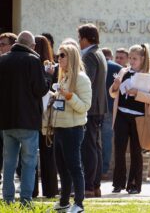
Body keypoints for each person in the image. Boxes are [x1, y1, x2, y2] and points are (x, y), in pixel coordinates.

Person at [0, 31, 49, 206]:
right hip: (28, 121)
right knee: (29, 162)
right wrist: (48, 77)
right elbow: (40, 90)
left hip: (6, 121)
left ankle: (7, 199)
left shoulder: (3, 60)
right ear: (32, 46)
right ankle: (26, 200)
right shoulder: (33, 60)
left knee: (9, 163)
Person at [110, 44, 150, 194]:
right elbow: (113, 94)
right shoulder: (123, 71)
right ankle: (118, 183)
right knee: (119, 150)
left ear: (142, 59)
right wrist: (115, 86)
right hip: (121, 115)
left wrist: (137, 93)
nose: (131, 61)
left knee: (136, 152)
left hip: (139, 118)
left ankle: (134, 185)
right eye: (130, 58)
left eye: (134, 58)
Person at [50, 44, 92, 213]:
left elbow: (85, 106)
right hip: (59, 127)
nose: (58, 58)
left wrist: (68, 96)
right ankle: (64, 202)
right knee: (61, 167)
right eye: (58, 55)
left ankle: (79, 204)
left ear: (71, 57)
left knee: (74, 167)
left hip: (73, 129)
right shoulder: (64, 77)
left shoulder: (81, 78)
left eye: (62, 55)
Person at [78, 23, 108, 198]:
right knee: (95, 146)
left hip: (90, 108)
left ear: (85, 38)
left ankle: (89, 186)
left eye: (80, 37)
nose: (78, 41)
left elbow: (86, 83)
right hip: (98, 107)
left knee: (89, 147)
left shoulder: (89, 56)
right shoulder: (99, 53)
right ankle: (94, 186)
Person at [34, 35, 59, 198]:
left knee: (31, 154)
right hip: (50, 115)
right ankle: (50, 190)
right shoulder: (55, 68)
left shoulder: (32, 65)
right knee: (48, 153)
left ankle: (33, 190)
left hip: (34, 114)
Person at [101, 47, 122, 179]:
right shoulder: (118, 68)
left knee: (93, 139)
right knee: (107, 138)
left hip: (96, 106)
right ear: (111, 56)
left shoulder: (97, 64)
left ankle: (95, 168)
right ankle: (104, 168)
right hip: (111, 106)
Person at [0, 32, 17, 182]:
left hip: (15, 117)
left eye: (3, 44)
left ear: (12, 45)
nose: (0, 47)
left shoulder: (21, 63)